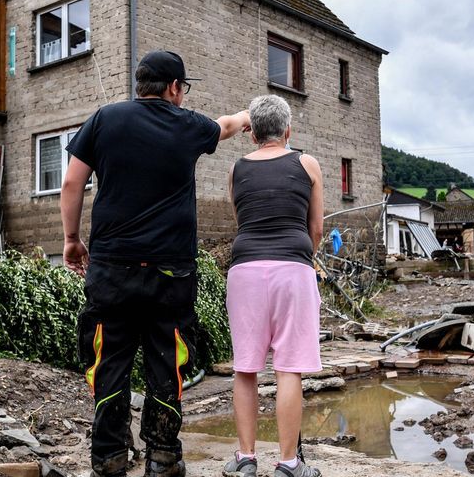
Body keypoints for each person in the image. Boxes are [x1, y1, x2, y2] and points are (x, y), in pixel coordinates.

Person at [60, 50, 251, 477]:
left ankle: (108, 458)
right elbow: (223, 128)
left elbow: (73, 180)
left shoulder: (105, 119)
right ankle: (163, 458)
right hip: (172, 272)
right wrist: (245, 116)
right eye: (184, 89)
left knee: (108, 359)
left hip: (111, 268)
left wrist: (72, 240)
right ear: (174, 88)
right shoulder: (187, 125)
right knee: (168, 360)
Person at [222, 95, 324, 477]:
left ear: (252, 135)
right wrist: (301, 258)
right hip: (292, 270)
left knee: (245, 368)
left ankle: (246, 459)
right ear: (288, 131)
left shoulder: (236, 169)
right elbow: (315, 228)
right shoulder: (307, 163)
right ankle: (288, 463)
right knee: (288, 369)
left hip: (245, 270)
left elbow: (241, 219)